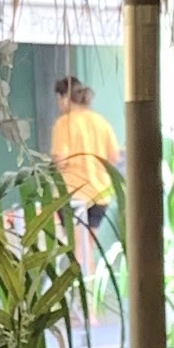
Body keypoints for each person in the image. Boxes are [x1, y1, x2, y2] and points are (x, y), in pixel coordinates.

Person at [49, 72, 119, 236]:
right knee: (88, 245)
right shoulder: (101, 122)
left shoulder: (64, 123)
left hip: (72, 194)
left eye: (58, 100)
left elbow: (61, 160)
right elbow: (114, 157)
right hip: (100, 194)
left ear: (64, 99)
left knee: (77, 247)